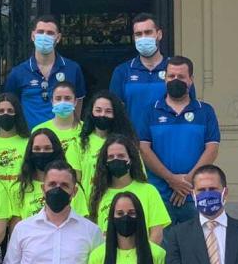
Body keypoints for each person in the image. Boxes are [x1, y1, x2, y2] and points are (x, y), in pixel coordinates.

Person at [138, 56, 220, 224]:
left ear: (191, 79)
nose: (175, 80)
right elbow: (144, 150)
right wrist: (171, 179)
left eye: (181, 77)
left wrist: (186, 182)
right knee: (162, 242)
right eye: (171, 76)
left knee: (197, 241)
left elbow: (212, 149)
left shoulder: (205, 111)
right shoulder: (149, 111)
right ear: (165, 78)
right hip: (159, 194)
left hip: (196, 194)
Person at [2, 15, 87, 129]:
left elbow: (78, 102)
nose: (44, 36)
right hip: (30, 137)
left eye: (50, 33)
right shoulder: (18, 73)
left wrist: (73, 131)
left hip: (64, 136)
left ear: (58, 38)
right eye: (40, 32)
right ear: (33, 36)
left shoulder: (73, 69)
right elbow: (10, 106)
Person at [110, 13, 186, 135]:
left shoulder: (177, 70)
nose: (143, 38)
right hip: (133, 141)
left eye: (148, 32)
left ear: (159, 34)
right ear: (134, 38)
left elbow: (189, 107)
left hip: (169, 140)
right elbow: (115, 113)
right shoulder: (122, 71)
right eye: (138, 34)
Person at [88, 134, 170, 243]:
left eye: (121, 156)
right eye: (111, 157)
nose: (116, 160)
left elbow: (157, 234)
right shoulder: (99, 194)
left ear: (130, 159)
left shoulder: (149, 191)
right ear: (105, 162)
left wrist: (143, 253)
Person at [12, 128, 88, 221]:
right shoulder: (19, 188)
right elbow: (16, 225)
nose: (42, 152)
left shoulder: (71, 186)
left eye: (47, 148)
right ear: (30, 152)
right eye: (37, 149)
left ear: (56, 151)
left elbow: (82, 222)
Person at [79, 91, 136, 201]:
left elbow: (138, 176)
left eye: (108, 111)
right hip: (87, 204)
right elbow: (75, 180)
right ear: (91, 112)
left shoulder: (127, 143)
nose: (102, 115)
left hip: (121, 204)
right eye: (98, 110)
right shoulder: (79, 142)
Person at [0, 93, 31, 193]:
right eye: (1, 111)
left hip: (21, 193)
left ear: (17, 113)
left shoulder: (29, 142)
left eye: (10, 111)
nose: (5, 114)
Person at [31, 81, 84, 167]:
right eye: (58, 99)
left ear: (75, 102)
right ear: (52, 101)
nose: (62, 102)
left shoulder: (86, 129)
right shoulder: (39, 130)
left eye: (67, 98)